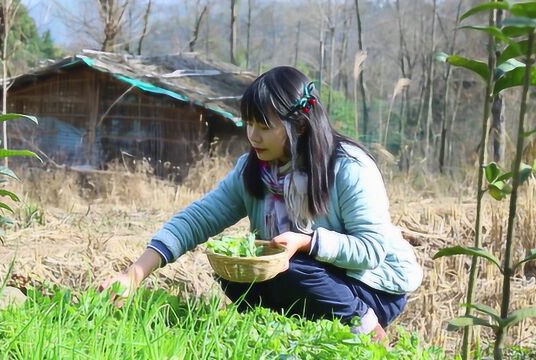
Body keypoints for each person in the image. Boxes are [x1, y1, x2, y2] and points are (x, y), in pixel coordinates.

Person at [100, 66, 423, 341]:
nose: (253, 136)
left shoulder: (349, 168)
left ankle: (368, 331)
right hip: (311, 277)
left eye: (264, 127)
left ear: (298, 125)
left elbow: (371, 250)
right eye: (248, 124)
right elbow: (197, 219)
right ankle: (290, 334)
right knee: (236, 270)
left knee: (296, 268)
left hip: (372, 286)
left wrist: (308, 243)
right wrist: (135, 274)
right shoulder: (254, 169)